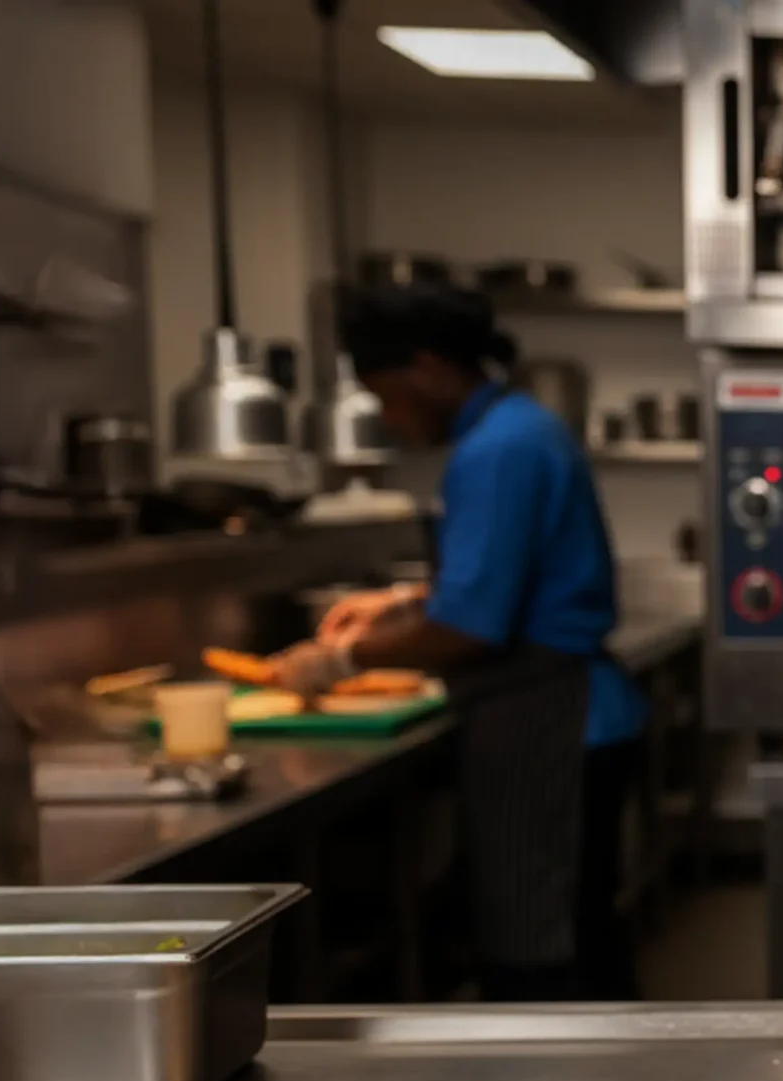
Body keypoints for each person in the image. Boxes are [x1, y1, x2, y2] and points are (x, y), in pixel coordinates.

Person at [272, 285, 646, 1002]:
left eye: (386, 397)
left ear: (428, 368)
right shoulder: (522, 428)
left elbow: (472, 626)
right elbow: (510, 575)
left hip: (550, 720)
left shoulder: (497, 449)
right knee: (576, 932)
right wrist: (406, 599)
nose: (388, 417)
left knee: (542, 948)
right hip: (571, 714)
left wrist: (339, 660)